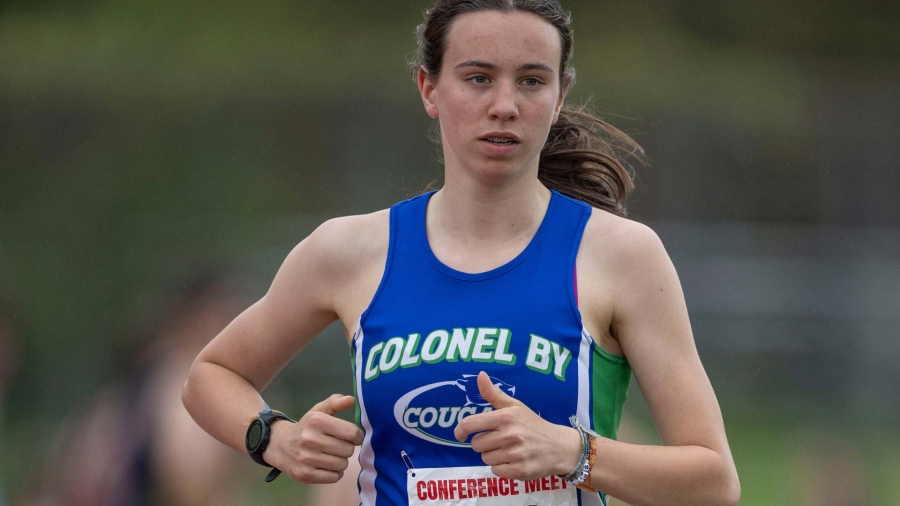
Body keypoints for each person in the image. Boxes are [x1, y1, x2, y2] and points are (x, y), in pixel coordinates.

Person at [182, 1, 741, 505]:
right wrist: (273, 437)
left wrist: (576, 453)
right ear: (429, 88)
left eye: (531, 81)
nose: (504, 105)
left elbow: (714, 482)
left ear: (560, 93)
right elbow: (211, 375)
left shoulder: (621, 256)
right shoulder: (350, 250)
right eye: (478, 78)